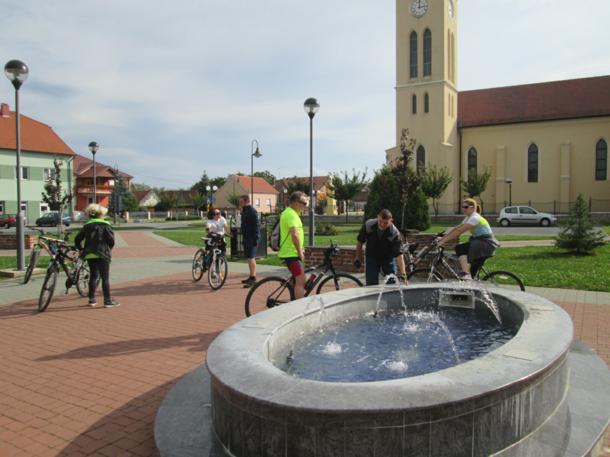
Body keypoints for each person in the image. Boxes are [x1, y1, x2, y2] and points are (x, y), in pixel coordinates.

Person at [437, 197, 499, 279]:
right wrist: (443, 238)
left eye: (466, 207)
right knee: (474, 274)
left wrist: (442, 242)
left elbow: (459, 231)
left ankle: (465, 273)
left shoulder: (474, 218)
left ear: (473, 207)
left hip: (485, 244)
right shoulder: (469, 217)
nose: (463, 209)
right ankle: (474, 282)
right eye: (462, 207)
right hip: (482, 243)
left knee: (460, 248)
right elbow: (457, 228)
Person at [75, 204, 120, 308]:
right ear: (101, 215)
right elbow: (111, 241)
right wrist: (109, 248)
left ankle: (92, 299)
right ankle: (107, 301)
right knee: (105, 278)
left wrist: (81, 249)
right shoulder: (105, 225)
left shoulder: (87, 226)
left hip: (90, 254)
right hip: (103, 253)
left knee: (93, 276)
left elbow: (77, 239)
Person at [355, 209, 407, 286]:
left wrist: (403, 274)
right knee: (371, 284)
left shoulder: (394, 233)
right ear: (377, 217)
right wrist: (358, 258)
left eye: (386, 223)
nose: (382, 224)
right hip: (372, 257)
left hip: (388, 259)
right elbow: (360, 242)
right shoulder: (368, 225)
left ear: (391, 221)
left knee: (392, 282)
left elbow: (399, 254)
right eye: (380, 221)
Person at [278, 191, 308, 298]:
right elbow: (294, 235)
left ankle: (291, 288)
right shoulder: (291, 214)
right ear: (296, 202)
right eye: (304, 203)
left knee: (297, 279)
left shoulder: (291, 213)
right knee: (301, 281)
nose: (306, 206)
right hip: (291, 254)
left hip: (291, 252)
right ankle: (298, 306)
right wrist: (299, 252)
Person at [239, 195, 260, 288]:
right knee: (249, 258)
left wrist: (255, 238)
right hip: (247, 237)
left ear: (246, 201)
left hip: (252, 238)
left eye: (241, 202)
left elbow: (256, 225)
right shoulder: (244, 211)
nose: (240, 203)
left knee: (251, 258)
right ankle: (251, 276)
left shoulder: (252, 211)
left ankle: (254, 279)